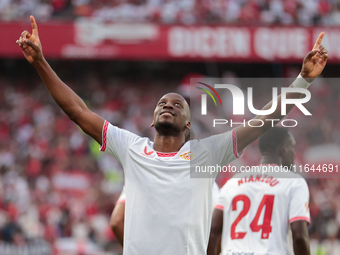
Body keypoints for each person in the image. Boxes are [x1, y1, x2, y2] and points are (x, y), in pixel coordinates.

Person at [16, 16, 327, 255]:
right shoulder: (131, 148)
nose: (169, 106)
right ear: (152, 121)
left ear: (188, 125)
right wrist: (41, 62)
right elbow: (78, 112)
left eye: (178, 104)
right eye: (162, 103)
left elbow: (264, 119)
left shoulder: (208, 152)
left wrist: (303, 80)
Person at [207, 127, 311, 255]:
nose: (294, 154)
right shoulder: (294, 182)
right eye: (292, 148)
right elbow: (299, 236)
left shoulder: (232, 182)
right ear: (284, 149)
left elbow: (212, 230)